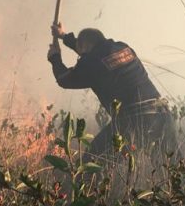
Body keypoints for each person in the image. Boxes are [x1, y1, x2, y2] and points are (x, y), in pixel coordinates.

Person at [47, 22, 178, 161]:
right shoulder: (123, 47)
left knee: (92, 164)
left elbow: (64, 79)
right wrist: (63, 36)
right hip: (162, 114)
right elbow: (91, 52)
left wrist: (55, 58)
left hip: (132, 121)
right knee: (171, 169)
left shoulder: (91, 62)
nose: (81, 58)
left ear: (84, 47)